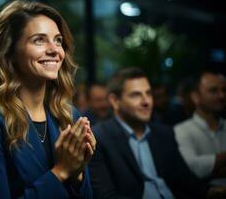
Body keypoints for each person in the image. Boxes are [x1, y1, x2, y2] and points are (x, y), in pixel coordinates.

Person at [0, 0, 95, 198]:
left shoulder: (69, 115)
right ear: (11, 52)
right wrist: (61, 171)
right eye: (39, 40)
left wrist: (78, 173)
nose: (54, 50)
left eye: (58, 40)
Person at [89, 67, 207, 199]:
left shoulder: (165, 133)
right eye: (136, 95)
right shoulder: (99, 137)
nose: (146, 101)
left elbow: (189, 183)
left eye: (148, 93)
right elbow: (105, 196)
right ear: (115, 101)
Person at [174, 70, 226, 179]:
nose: (222, 96)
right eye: (213, 91)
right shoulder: (181, 130)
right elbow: (191, 167)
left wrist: (208, 170)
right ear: (195, 97)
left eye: (224, 90)